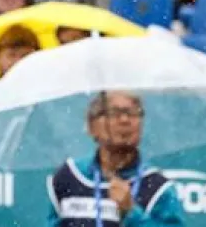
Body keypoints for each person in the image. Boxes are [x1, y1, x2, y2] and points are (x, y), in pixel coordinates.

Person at [45, 91, 186, 226]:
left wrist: (131, 212)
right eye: (114, 113)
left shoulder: (157, 188)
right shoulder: (69, 177)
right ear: (91, 125)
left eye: (132, 113)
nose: (125, 120)